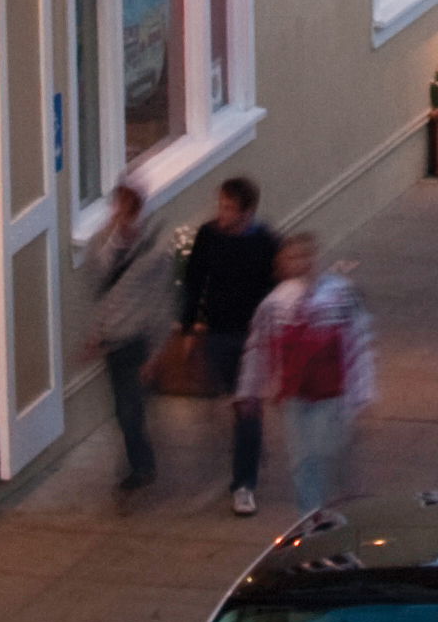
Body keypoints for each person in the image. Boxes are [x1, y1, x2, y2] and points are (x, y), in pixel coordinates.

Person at [240, 235, 379, 514]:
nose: (299, 264)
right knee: (302, 462)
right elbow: (258, 346)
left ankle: (341, 509)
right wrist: (249, 390)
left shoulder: (340, 294)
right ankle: (310, 519)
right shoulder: (276, 303)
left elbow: (359, 339)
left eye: (304, 256)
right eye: (291, 259)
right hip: (295, 395)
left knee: (329, 454)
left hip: (332, 393)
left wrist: (363, 391)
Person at [181, 175, 284, 513]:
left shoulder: (266, 243)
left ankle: (244, 484)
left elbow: (277, 290)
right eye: (220, 206)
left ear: (246, 211)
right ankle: (250, 443)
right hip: (217, 332)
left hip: (252, 335)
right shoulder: (208, 236)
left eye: (228, 208)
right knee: (232, 395)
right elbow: (195, 280)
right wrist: (188, 328)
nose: (221, 213)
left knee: (246, 404)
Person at [82, 179, 179, 494]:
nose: (120, 217)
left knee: (130, 408)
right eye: (117, 209)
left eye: (127, 210)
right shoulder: (100, 246)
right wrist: (96, 334)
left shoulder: (153, 251)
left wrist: (155, 353)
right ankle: (140, 461)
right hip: (113, 340)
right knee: (124, 410)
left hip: (137, 340)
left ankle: (140, 466)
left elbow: (160, 303)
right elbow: (99, 293)